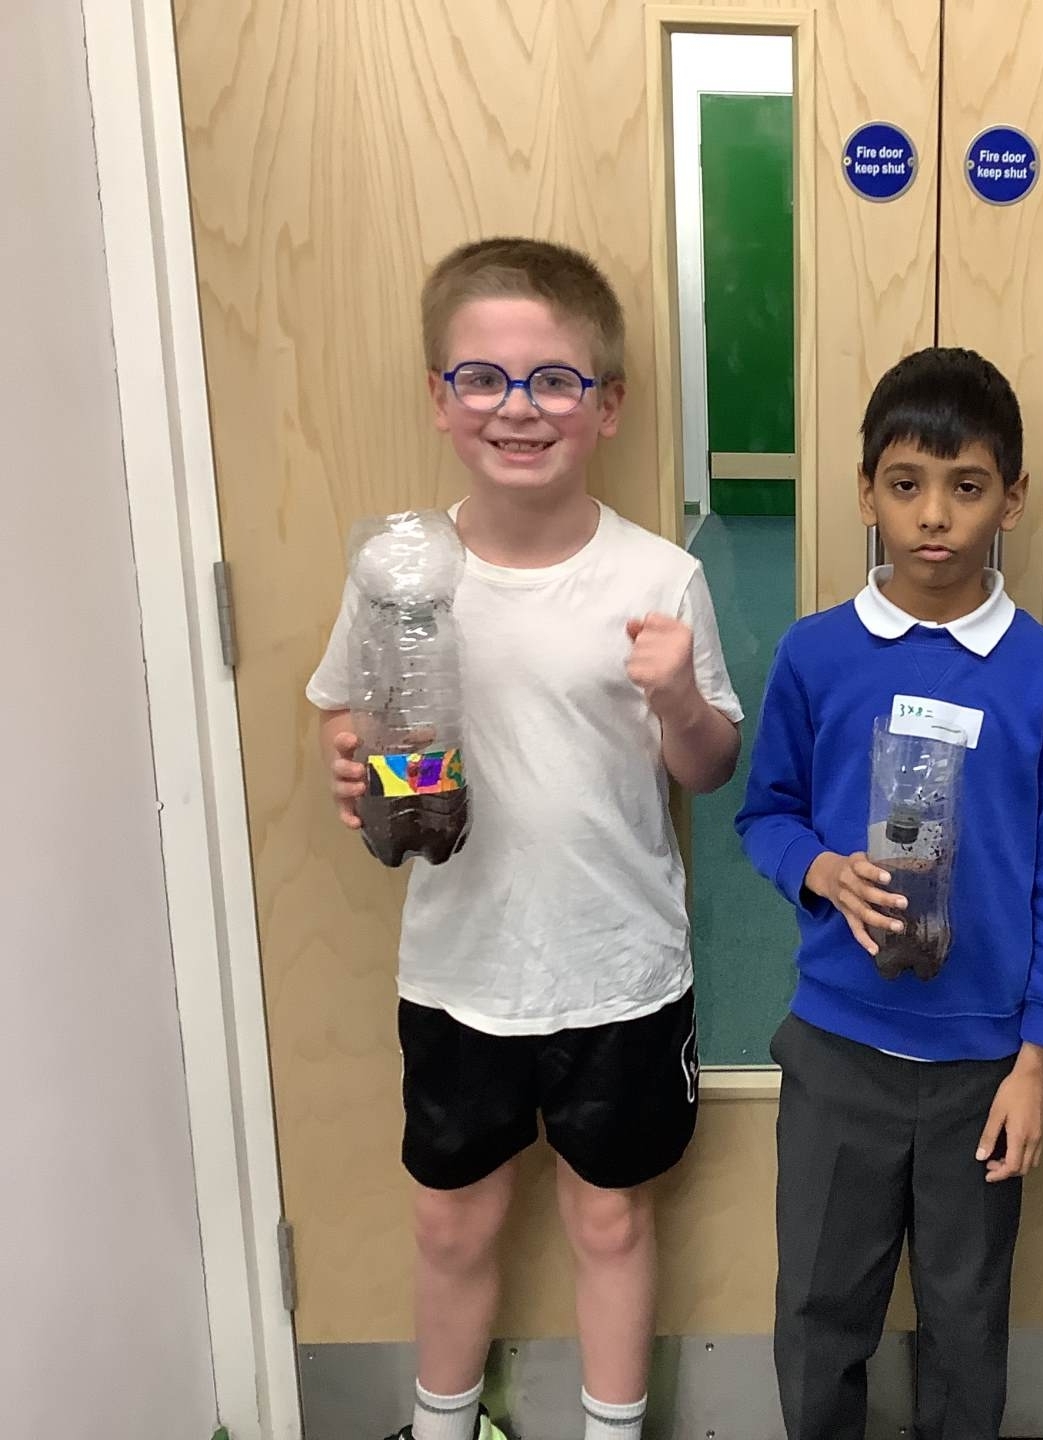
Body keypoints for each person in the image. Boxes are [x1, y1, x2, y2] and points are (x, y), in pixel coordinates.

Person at [307, 237, 743, 1440]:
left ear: (608, 406)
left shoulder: (659, 577)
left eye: (555, 379)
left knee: (610, 1218)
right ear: (438, 399)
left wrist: (679, 699)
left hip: (618, 969)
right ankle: (443, 1424)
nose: (518, 407)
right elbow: (346, 711)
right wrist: (347, 759)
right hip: (460, 969)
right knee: (451, 1221)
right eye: (483, 378)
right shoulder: (399, 574)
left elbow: (708, 767)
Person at [736, 347, 1043, 1440]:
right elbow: (766, 814)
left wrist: (1037, 1062)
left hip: (984, 1071)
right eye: (906, 484)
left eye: (967, 486)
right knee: (819, 1311)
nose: (934, 515)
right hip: (839, 1049)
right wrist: (818, 869)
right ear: (866, 493)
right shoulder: (815, 655)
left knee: (966, 1320)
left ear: (1013, 500)